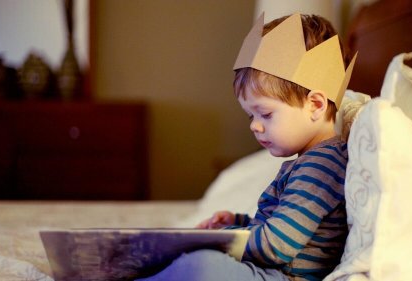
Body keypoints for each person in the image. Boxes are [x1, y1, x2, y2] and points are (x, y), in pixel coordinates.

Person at [138, 13, 356, 281]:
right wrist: (237, 221)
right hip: (270, 272)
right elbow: (281, 226)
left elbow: (277, 246)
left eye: (265, 114)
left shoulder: (320, 166)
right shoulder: (311, 160)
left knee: (202, 265)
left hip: (282, 277)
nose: (254, 126)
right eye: (250, 116)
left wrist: (219, 239)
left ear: (315, 105)